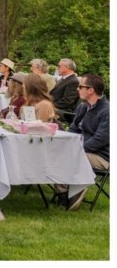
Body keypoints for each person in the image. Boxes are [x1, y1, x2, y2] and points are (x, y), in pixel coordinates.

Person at [59, 74, 109, 210]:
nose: (77, 89)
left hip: (102, 156)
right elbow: (73, 130)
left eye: (80, 86)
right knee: (58, 152)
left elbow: (100, 140)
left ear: (91, 90)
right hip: (82, 150)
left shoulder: (107, 112)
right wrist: (66, 143)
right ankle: (62, 194)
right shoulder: (82, 107)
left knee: (72, 156)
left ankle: (71, 195)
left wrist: (76, 149)